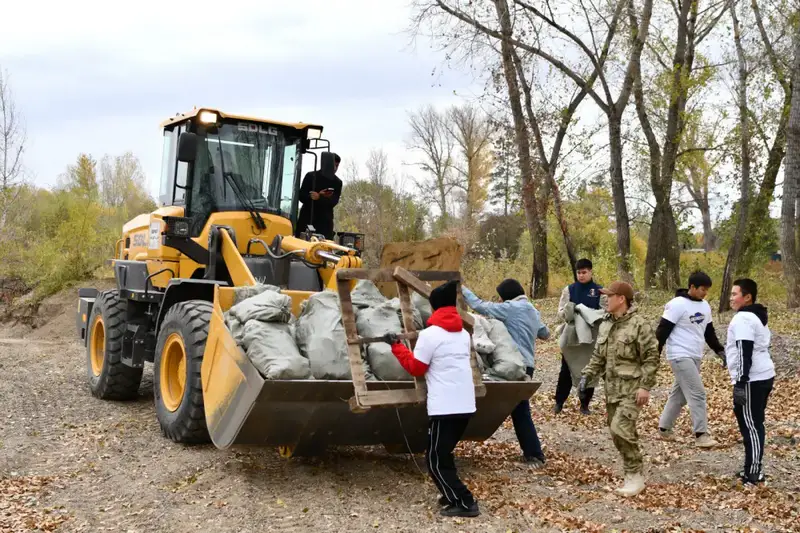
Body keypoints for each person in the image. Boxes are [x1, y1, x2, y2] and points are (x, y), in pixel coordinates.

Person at [384, 280, 480, 518]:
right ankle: (451, 496)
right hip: (465, 405)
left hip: (444, 407)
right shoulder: (463, 335)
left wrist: (397, 346)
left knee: (435, 460)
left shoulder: (430, 335)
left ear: (434, 308)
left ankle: (466, 502)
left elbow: (416, 367)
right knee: (443, 455)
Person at [579, 281, 659, 497]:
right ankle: (631, 473)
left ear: (621, 299)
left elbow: (651, 358)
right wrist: (587, 375)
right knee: (618, 433)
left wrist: (645, 387)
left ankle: (635, 475)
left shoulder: (639, 324)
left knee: (620, 428)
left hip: (632, 390)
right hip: (612, 390)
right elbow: (598, 356)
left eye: (609, 295)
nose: (605, 299)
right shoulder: (606, 324)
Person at [461, 279, 550, 467]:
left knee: (520, 410)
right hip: (529, 365)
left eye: (501, 296)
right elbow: (545, 333)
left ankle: (535, 454)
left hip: (513, 364)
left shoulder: (512, 308)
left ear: (507, 295)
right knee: (519, 409)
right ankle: (532, 452)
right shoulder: (531, 309)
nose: (500, 300)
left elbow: (480, 306)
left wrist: (460, 287)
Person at [656, 271, 726, 448]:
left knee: (679, 395)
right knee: (697, 393)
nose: (705, 293)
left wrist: (720, 351)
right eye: (702, 289)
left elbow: (709, 333)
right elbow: (662, 331)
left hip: (695, 355)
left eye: (707, 290)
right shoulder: (677, 305)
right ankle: (701, 435)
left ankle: (664, 429)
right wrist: (654, 354)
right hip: (679, 355)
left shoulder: (705, 306)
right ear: (692, 287)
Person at [725, 278, 775, 485]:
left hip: (752, 379)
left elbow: (745, 350)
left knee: (752, 425)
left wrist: (740, 382)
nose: (731, 298)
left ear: (748, 297)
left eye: (735, 294)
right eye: (731, 294)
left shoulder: (744, 318)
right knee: (753, 423)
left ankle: (754, 473)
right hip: (761, 375)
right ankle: (751, 468)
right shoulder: (755, 315)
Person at [554, 258, 606, 415]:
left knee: (588, 371)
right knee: (566, 369)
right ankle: (559, 402)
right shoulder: (569, 290)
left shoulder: (599, 291)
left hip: (590, 337)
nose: (581, 276)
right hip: (571, 335)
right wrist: (570, 312)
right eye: (579, 273)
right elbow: (560, 313)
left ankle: (584, 404)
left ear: (590, 272)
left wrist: (588, 314)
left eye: (584, 272)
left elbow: (604, 313)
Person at [295, 153, 343, 240]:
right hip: (307, 219)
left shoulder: (337, 182)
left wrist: (320, 197)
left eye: (337, 166)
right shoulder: (311, 176)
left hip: (325, 223)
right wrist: (311, 197)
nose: (335, 168)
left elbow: (334, 201)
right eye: (333, 165)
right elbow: (301, 195)